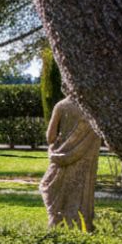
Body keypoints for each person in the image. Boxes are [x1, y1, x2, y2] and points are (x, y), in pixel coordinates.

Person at [40, 95, 100, 229]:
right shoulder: (93, 108)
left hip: (60, 160)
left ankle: (58, 223)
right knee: (79, 192)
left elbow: (50, 137)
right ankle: (82, 225)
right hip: (85, 161)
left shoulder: (61, 106)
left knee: (48, 186)